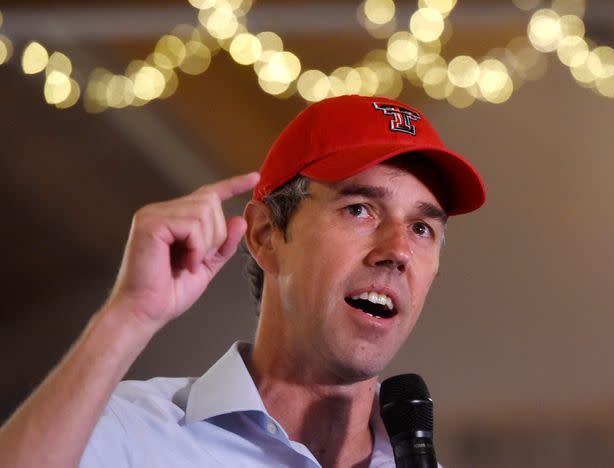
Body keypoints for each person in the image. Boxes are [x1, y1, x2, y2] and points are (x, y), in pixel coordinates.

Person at [0, 94, 485, 468]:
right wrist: (128, 315)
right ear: (266, 235)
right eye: (359, 209)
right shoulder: (134, 432)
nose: (398, 250)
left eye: (422, 228)